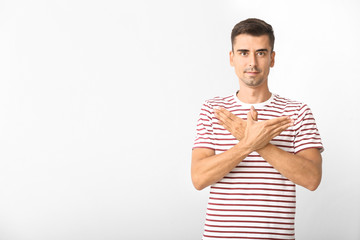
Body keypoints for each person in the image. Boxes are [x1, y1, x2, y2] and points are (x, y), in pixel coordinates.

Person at [191, 18, 323, 240]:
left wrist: (257, 142)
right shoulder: (214, 110)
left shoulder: (297, 112)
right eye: (243, 53)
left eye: (261, 53)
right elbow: (199, 178)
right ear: (231, 58)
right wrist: (247, 144)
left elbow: (312, 179)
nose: (252, 62)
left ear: (272, 59)